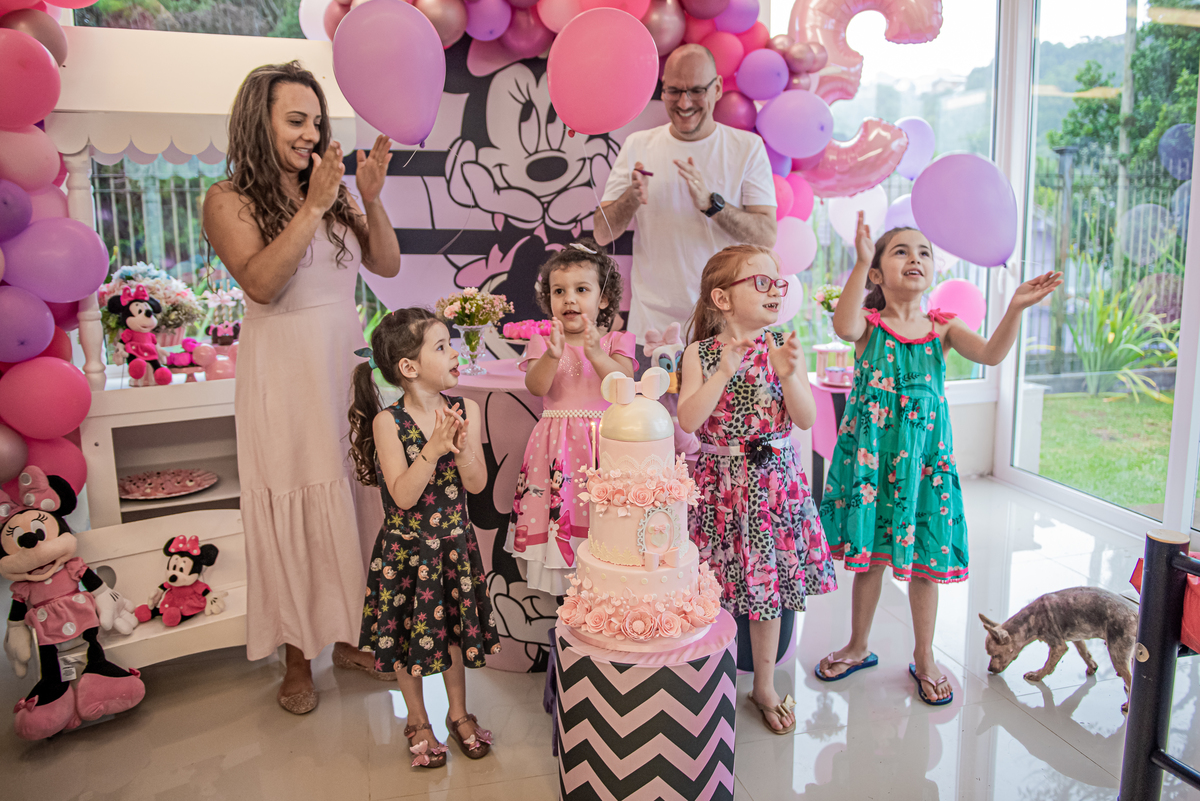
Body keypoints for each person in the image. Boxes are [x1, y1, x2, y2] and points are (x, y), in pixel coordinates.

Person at [202, 62, 402, 714]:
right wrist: (314, 203)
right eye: (296, 119)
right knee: (294, 492)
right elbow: (262, 282)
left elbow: (387, 264)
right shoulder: (227, 198)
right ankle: (297, 655)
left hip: (341, 364)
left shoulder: (335, 192)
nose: (310, 132)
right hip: (282, 371)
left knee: (352, 497)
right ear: (258, 122)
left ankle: (348, 637)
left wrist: (367, 196)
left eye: (316, 121)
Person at [815, 214, 1063, 705]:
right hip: (873, 467)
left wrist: (1014, 307)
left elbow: (991, 354)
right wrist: (861, 257)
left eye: (924, 252)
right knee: (870, 561)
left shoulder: (943, 329)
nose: (916, 258)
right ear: (879, 276)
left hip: (925, 467)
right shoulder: (869, 326)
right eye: (901, 251)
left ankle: (924, 655)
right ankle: (859, 644)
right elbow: (842, 325)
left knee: (925, 563)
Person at [676, 245, 837, 735]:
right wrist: (722, 371)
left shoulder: (785, 344)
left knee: (767, 588)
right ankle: (708, 677)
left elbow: (806, 418)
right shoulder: (699, 354)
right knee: (712, 588)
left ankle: (763, 684)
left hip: (774, 489)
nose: (774, 290)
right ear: (722, 298)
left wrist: (790, 375)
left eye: (778, 282)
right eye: (760, 282)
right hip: (719, 488)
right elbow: (688, 419)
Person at [348, 308, 501, 769]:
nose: (454, 352)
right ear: (409, 368)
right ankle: (417, 718)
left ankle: (458, 713)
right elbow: (403, 494)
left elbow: (476, 485)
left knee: (453, 632)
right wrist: (433, 451)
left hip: (454, 545)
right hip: (407, 551)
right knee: (403, 638)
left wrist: (461, 448)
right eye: (441, 346)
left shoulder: (464, 409)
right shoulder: (387, 423)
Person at [594, 44, 777, 348]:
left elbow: (766, 235)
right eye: (674, 91)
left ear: (717, 88)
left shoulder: (747, 148)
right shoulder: (638, 145)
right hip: (653, 329)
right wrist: (631, 198)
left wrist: (712, 204)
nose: (684, 102)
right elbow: (601, 234)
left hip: (726, 328)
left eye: (695, 90)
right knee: (647, 399)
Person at [506, 239, 636, 595]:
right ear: (549, 299)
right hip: (557, 449)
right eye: (559, 291)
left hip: (603, 446)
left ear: (604, 298)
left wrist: (595, 353)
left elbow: (623, 385)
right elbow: (536, 386)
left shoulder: (616, 341)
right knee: (563, 516)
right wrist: (551, 356)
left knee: (604, 524)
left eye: (582, 289)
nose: (570, 299)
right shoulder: (543, 341)